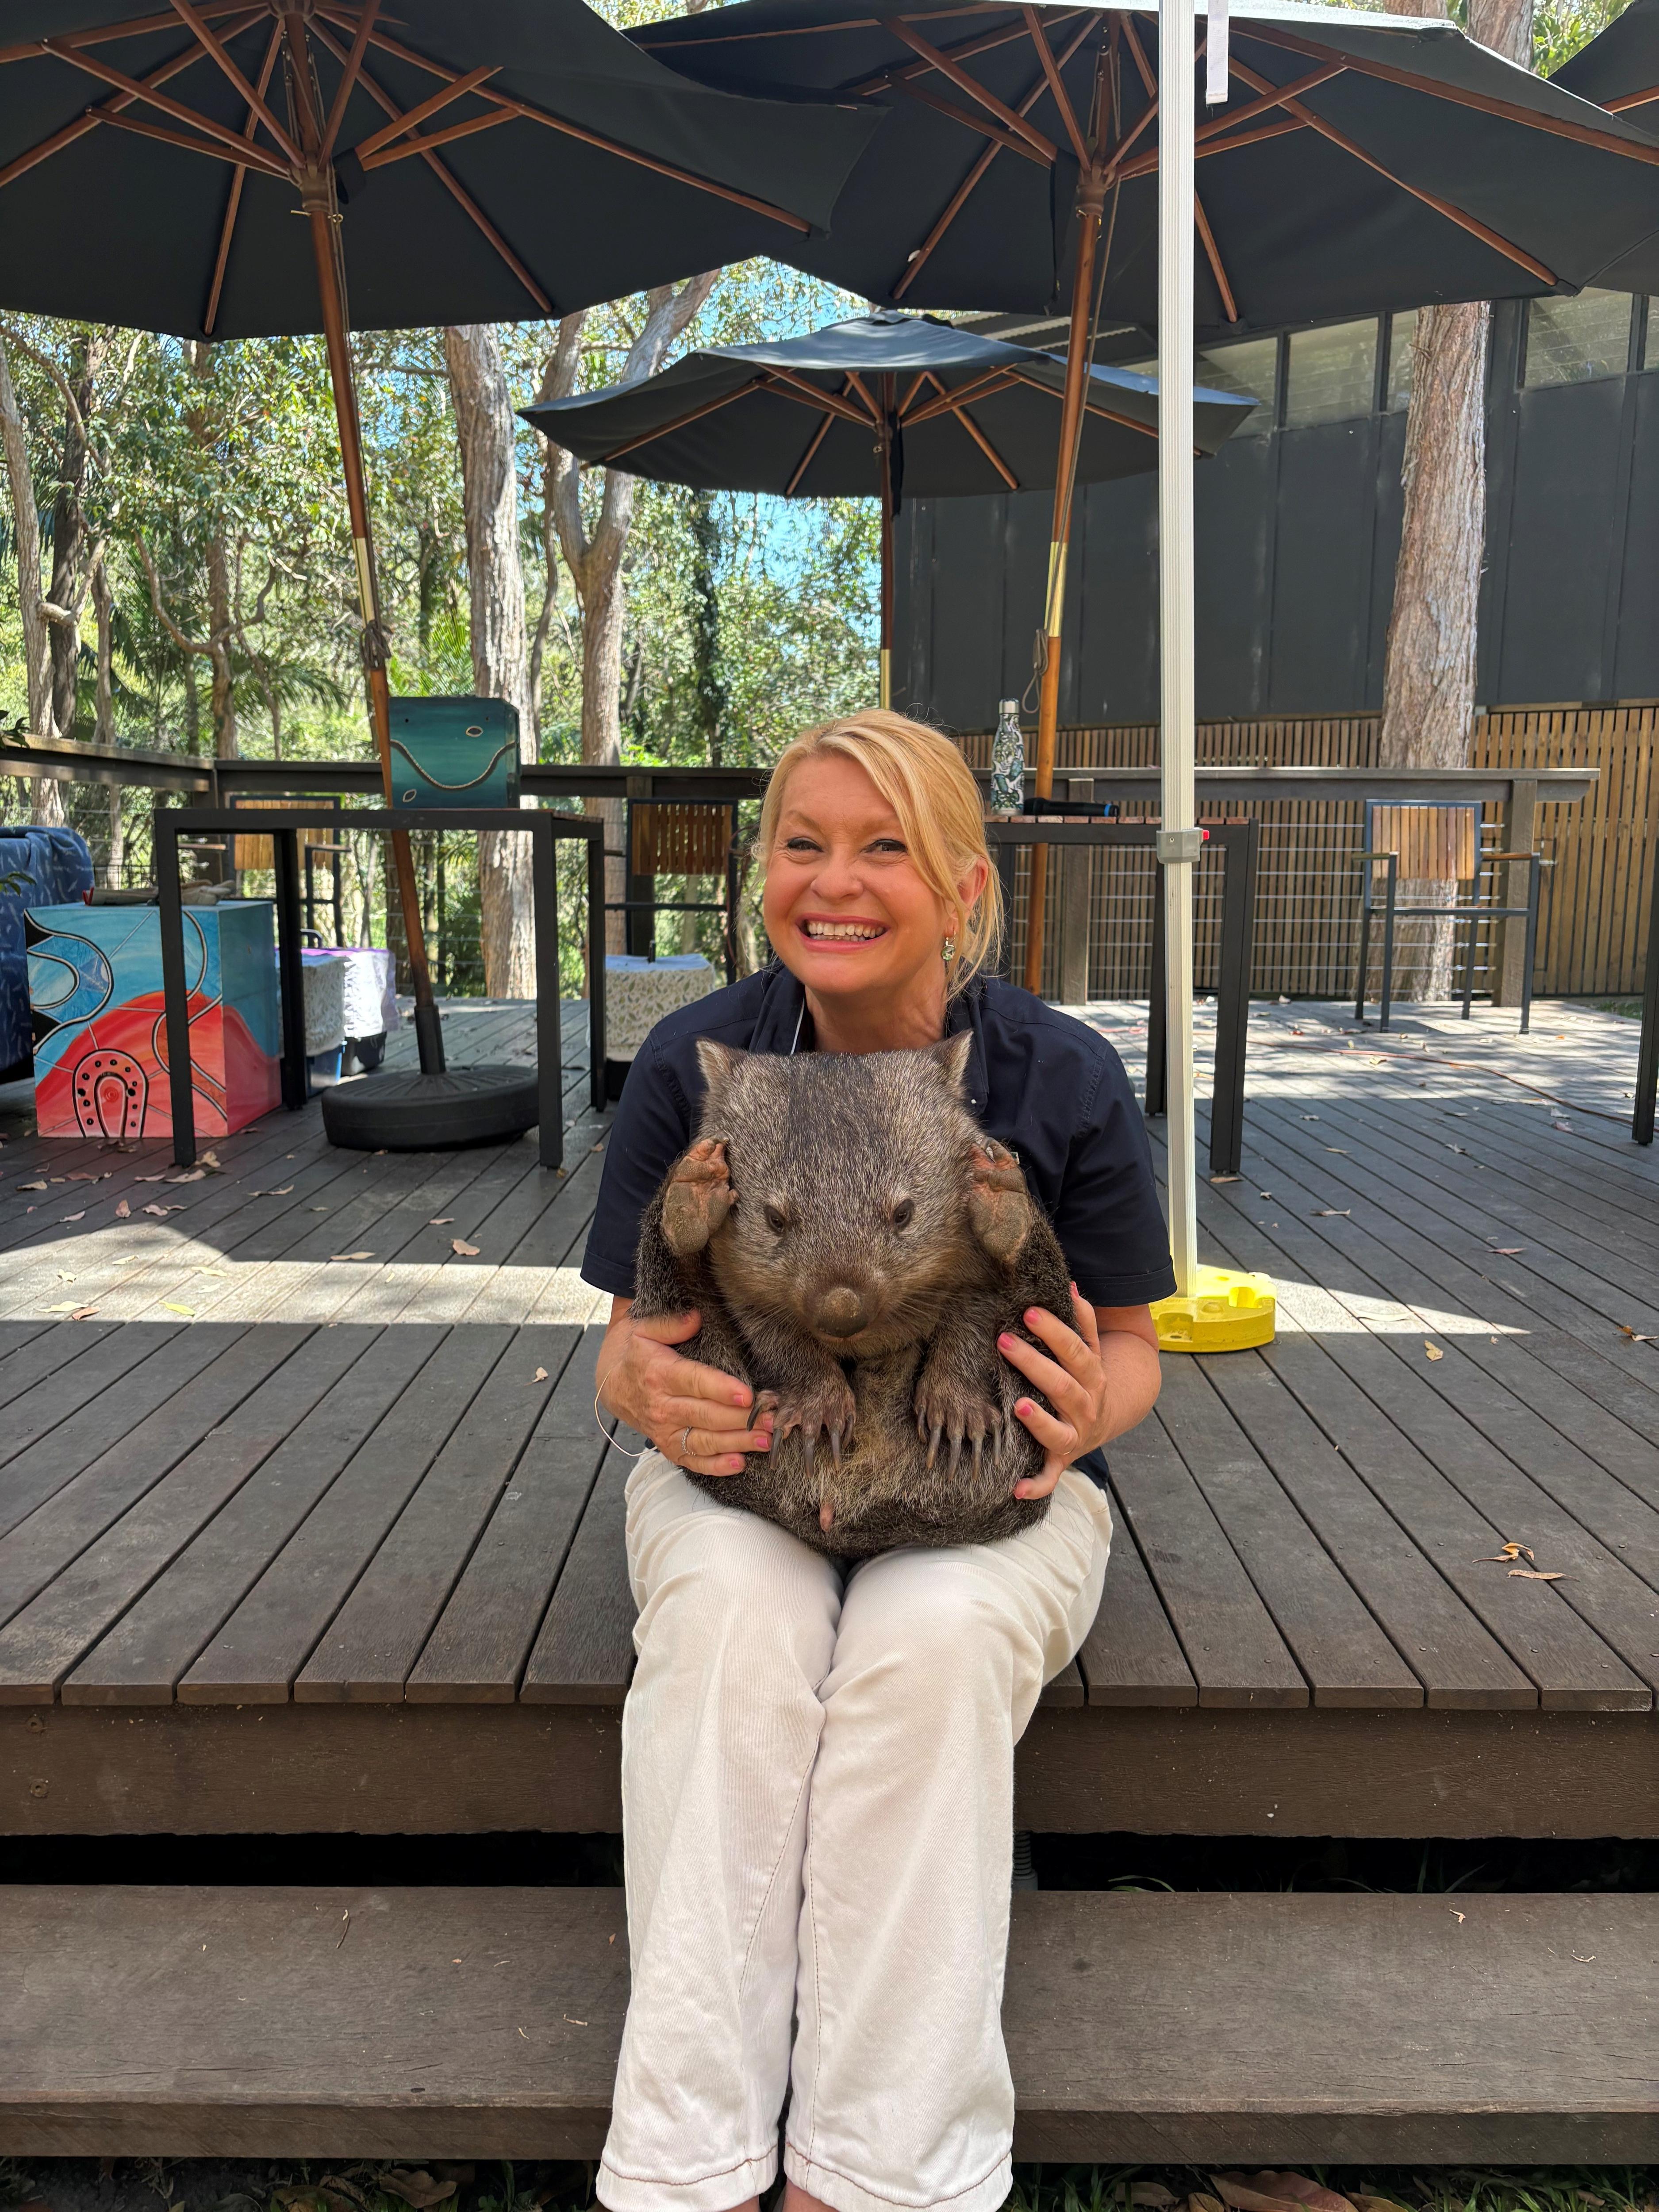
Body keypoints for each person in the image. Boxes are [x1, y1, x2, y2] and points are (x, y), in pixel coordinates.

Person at [584, 711, 1173, 2212]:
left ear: (964, 888)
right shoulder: (698, 1063)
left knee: (928, 1642)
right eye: (803, 843)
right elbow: (625, 1347)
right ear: (762, 870)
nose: (833, 884)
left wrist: (1078, 1409)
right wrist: (654, 1395)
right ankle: (690, 2159)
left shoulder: (1060, 1077)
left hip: (1000, 1489)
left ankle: (878, 2174)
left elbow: (1133, 1354)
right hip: (757, 1465)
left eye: (884, 847)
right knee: (731, 1630)